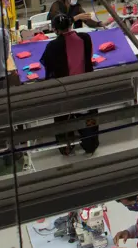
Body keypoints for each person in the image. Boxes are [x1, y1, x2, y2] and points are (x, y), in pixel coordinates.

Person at [40, 14, 99, 155]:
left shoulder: (52, 46)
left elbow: (48, 69)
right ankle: (90, 143)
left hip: (64, 92)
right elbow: (89, 58)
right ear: (70, 25)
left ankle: (66, 146)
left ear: (54, 29)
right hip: (85, 88)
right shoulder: (85, 38)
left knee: (63, 118)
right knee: (87, 118)